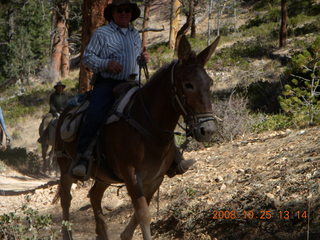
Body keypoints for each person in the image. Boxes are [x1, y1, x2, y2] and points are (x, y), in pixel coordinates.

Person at [72, 0, 194, 178]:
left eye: (127, 10)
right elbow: (87, 58)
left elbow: (135, 57)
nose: (124, 13)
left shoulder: (134, 34)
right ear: (113, 13)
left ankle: (173, 158)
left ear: (131, 14)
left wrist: (142, 58)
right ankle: (82, 158)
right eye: (120, 10)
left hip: (133, 84)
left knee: (157, 114)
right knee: (96, 113)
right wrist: (106, 64)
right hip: (108, 84)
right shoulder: (102, 33)